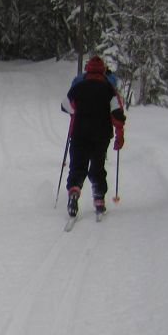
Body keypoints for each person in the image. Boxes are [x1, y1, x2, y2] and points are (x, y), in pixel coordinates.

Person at [61, 55, 126, 218]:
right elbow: (117, 114)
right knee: (97, 166)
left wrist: (77, 112)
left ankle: (74, 191)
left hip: (79, 133)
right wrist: (119, 136)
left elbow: (65, 105)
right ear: (103, 70)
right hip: (101, 134)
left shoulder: (78, 86)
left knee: (77, 165)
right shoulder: (109, 88)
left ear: (87, 69)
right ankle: (99, 199)